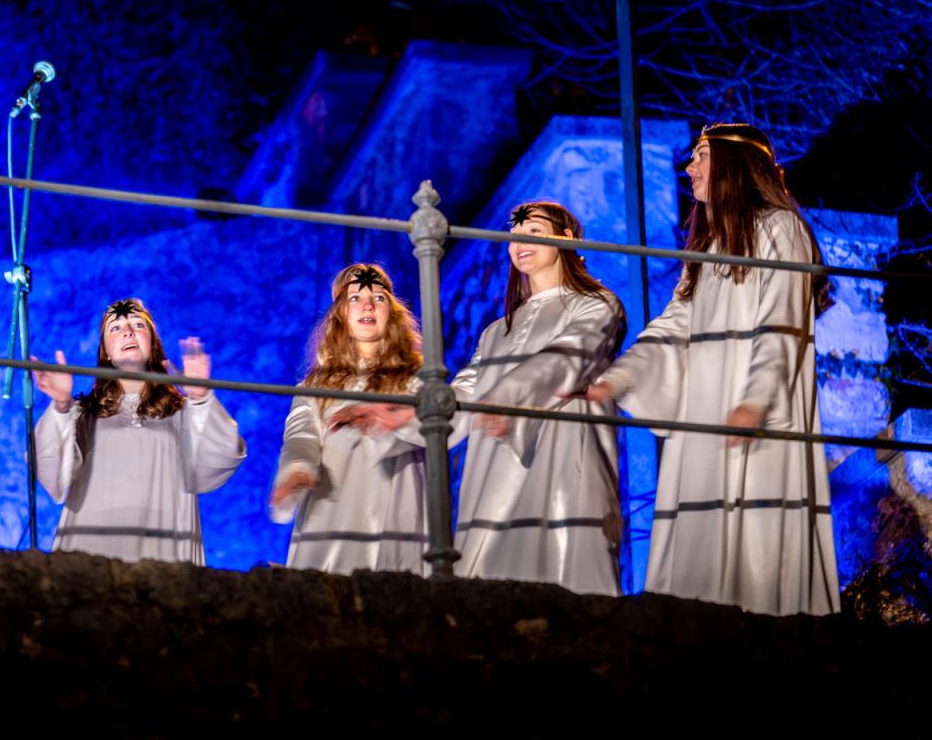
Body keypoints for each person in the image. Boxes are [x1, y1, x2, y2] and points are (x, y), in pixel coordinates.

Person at [588, 122, 838, 615]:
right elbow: (673, 324)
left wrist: (755, 401)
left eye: (701, 156)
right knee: (699, 547)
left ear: (734, 165)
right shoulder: (705, 250)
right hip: (705, 418)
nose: (689, 168)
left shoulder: (781, 229)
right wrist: (620, 376)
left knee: (758, 545)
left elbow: (782, 322)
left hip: (756, 417)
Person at [336, 203, 626, 594]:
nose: (520, 241)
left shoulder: (596, 305)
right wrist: (407, 415)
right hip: (494, 461)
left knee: (561, 562)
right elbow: (465, 390)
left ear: (567, 239)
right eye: (514, 233)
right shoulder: (496, 332)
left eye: (534, 231)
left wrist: (505, 398)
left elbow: (567, 358)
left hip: (560, 448)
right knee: (492, 572)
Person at [32, 298, 245, 564]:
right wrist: (61, 405)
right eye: (115, 328)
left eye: (138, 325)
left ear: (153, 343)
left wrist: (201, 397)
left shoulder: (184, 414)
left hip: (163, 548)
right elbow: (52, 474)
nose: (128, 332)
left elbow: (220, 460)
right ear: (106, 353)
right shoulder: (83, 415)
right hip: (91, 550)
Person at [269, 264, 429, 574]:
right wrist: (297, 469)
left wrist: (388, 419)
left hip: (396, 502)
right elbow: (301, 435)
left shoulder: (416, 379)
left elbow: (434, 427)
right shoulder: (315, 387)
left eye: (378, 298)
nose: (368, 305)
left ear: (392, 313)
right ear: (340, 314)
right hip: (334, 503)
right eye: (355, 298)